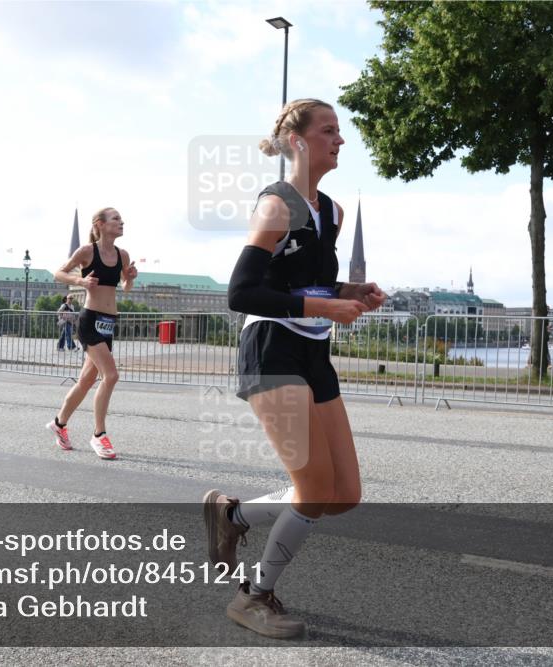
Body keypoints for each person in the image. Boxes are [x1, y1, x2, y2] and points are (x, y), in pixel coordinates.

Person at [203, 99, 386, 639]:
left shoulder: (331, 211)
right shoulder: (275, 206)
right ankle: (252, 595)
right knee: (311, 487)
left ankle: (231, 517)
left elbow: (305, 280)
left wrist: (348, 292)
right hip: (272, 347)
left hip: (313, 351)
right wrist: (324, 307)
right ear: (300, 141)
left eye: (340, 131)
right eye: (330, 130)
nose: (341, 140)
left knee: (342, 493)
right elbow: (243, 292)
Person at [48, 208, 137, 459]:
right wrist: (81, 282)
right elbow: (59, 272)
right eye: (116, 218)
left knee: (86, 381)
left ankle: (59, 423)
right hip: (90, 321)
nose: (122, 222)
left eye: (121, 218)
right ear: (100, 224)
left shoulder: (123, 254)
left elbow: (125, 288)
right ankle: (99, 435)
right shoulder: (87, 251)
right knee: (111, 375)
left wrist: (129, 278)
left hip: (109, 323)